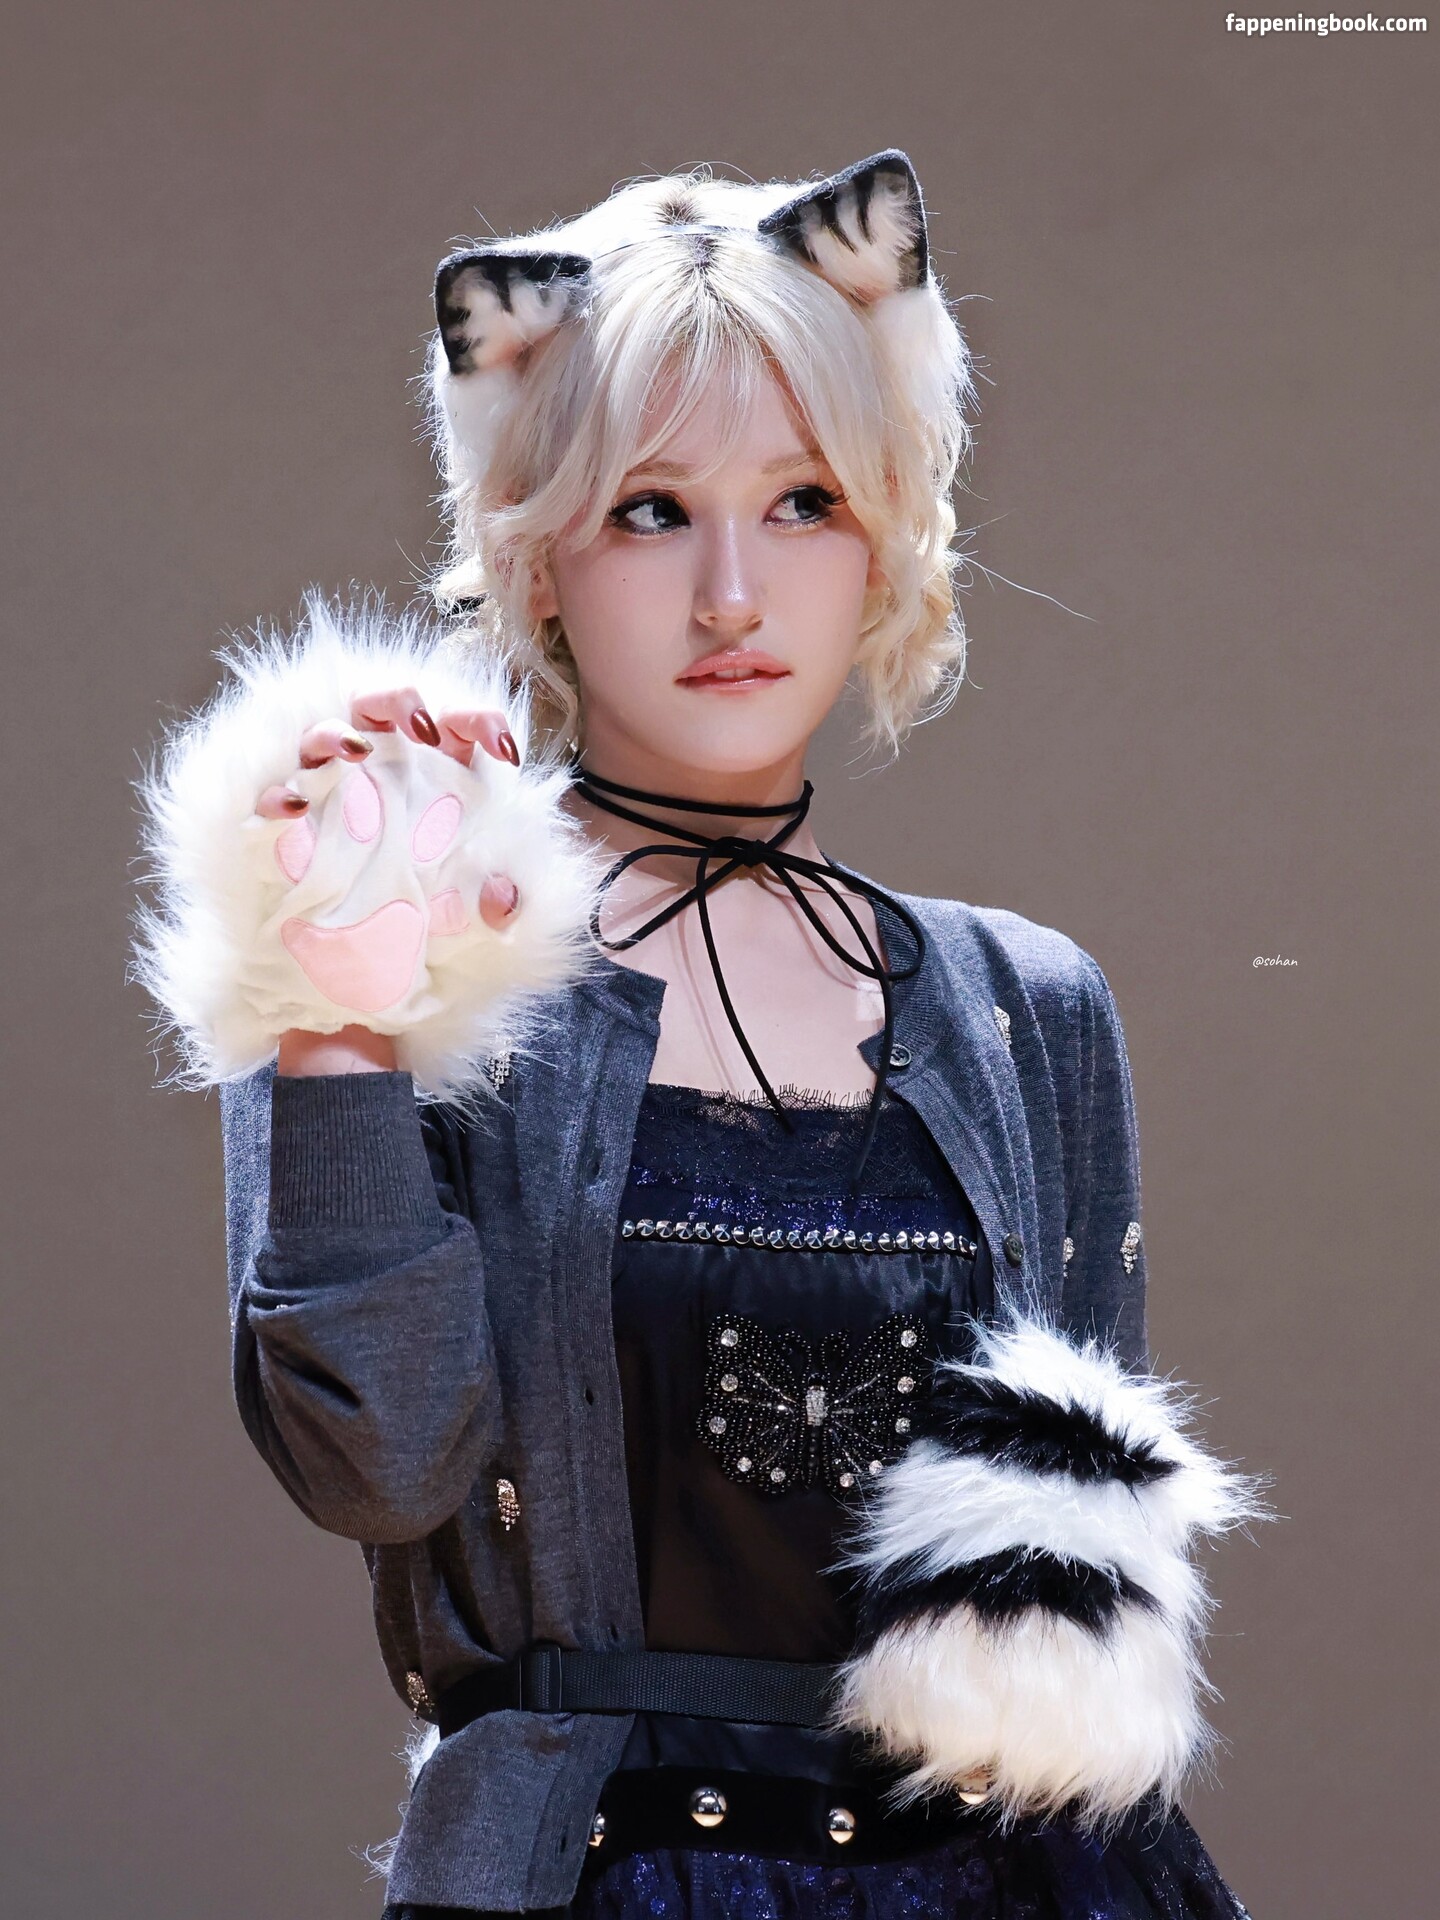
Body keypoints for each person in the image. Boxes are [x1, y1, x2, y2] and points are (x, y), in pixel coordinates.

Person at [141, 152, 1262, 1916]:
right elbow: (379, 1465)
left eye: (804, 501)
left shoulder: (1025, 1003)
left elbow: (1078, 1625)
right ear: (535, 550)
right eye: (652, 510)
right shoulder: (404, 950)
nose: (734, 593)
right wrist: (343, 1005)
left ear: (887, 530)